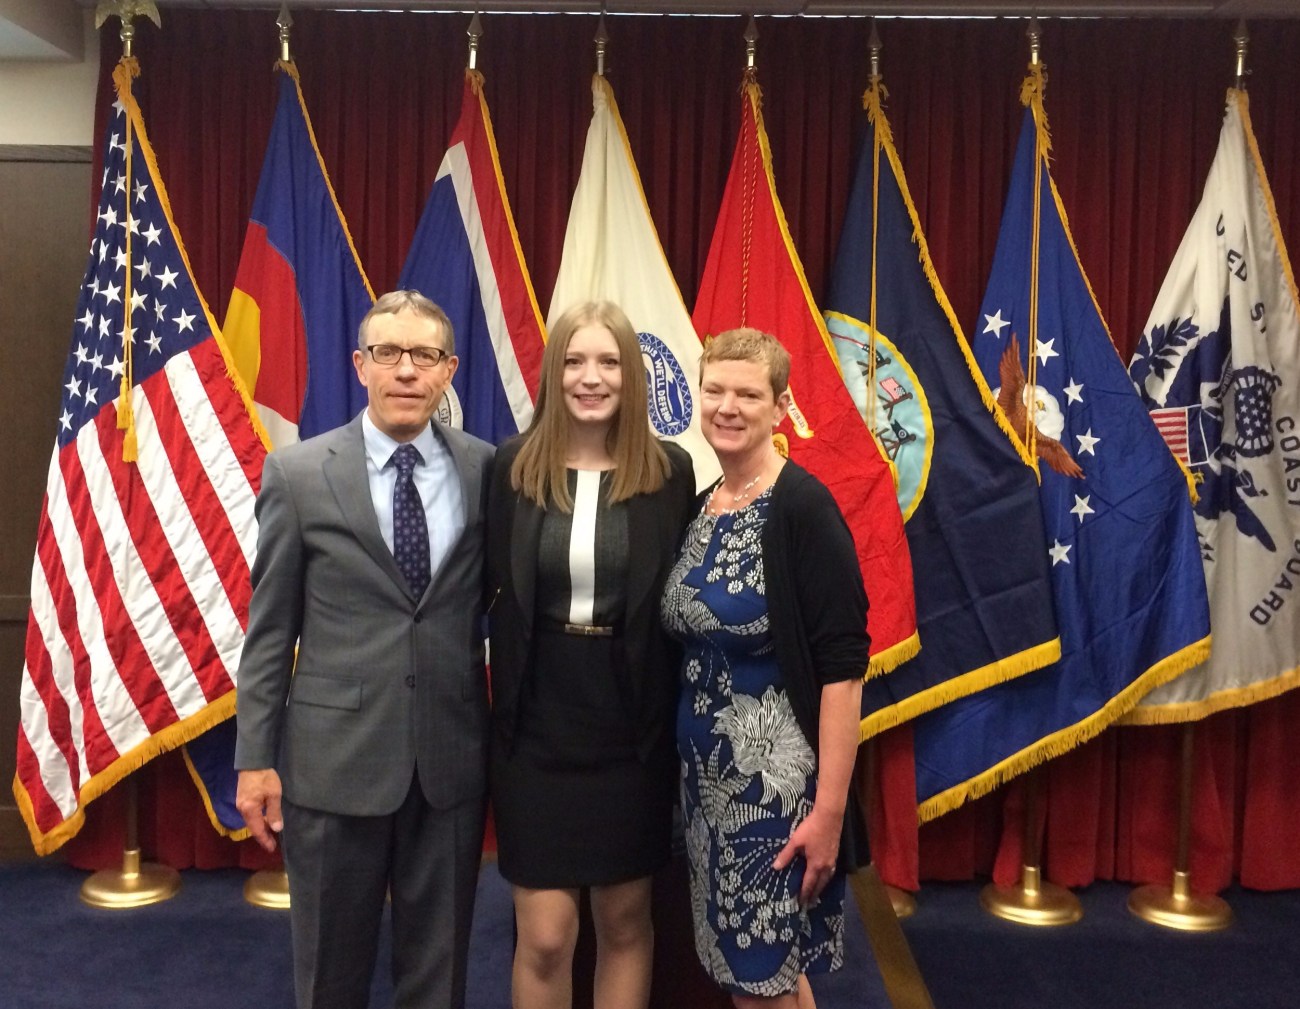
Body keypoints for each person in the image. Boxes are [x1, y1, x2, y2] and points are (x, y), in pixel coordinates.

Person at [234, 290, 494, 1009]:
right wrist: (256, 758)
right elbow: (269, 630)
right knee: (330, 974)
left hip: (448, 761)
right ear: (360, 365)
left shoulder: (485, 470)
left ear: (449, 370)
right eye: (388, 353)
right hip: (333, 762)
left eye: (424, 356)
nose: (405, 370)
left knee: (437, 976)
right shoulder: (300, 473)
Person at [488, 300, 696, 1009]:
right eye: (575, 360)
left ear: (632, 375)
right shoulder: (511, 467)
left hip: (630, 727)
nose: (591, 376)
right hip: (535, 724)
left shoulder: (670, 474)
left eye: (608, 361)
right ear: (554, 372)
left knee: (625, 919)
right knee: (544, 935)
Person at [660, 328, 869, 1009]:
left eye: (748, 394)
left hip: (772, 796)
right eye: (714, 389)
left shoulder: (802, 508)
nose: (727, 405)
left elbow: (842, 668)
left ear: (781, 407)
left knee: (758, 980)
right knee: (762, 973)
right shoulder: (702, 505)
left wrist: (829, 812)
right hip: (706, 788)